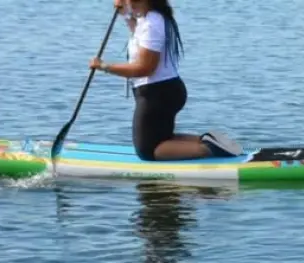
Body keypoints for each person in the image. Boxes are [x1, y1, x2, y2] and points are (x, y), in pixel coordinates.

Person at [89, 0, 240, 160]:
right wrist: (126, 16)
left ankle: (209, 150)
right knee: (161, 140)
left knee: (147, 151)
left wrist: (105, 66)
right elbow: (138, 34)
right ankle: (207, 141)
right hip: (161, 92)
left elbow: (145, 68)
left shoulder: (152, 23)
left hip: (158, 95)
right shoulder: (147, 18)